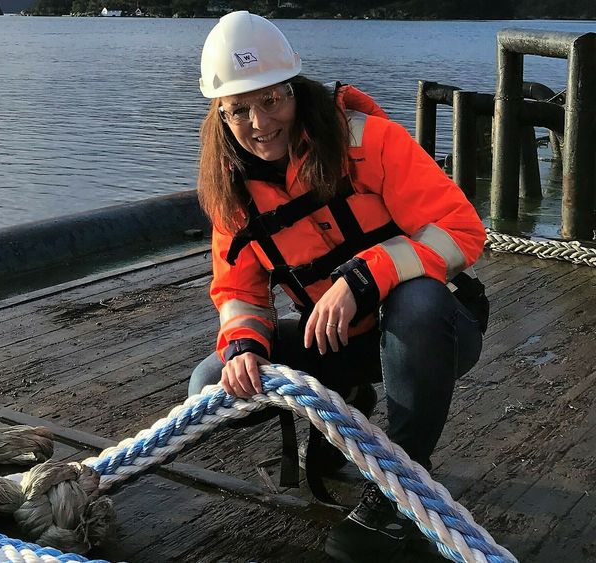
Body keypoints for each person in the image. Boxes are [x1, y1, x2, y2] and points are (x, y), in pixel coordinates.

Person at [188, 11, 489, 563]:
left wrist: (365, 276)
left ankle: (399, 489)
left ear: (295, 90)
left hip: (433, 333)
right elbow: (238, 292)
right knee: (209, 383)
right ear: (220, 113)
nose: (259, 124)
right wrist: (244, 347)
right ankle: (348, 401)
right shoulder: (231, 189)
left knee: (419, 305)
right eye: (239, 110)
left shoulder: (369, 142)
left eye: (271, 101)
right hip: (338, 341)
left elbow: (463, 230)